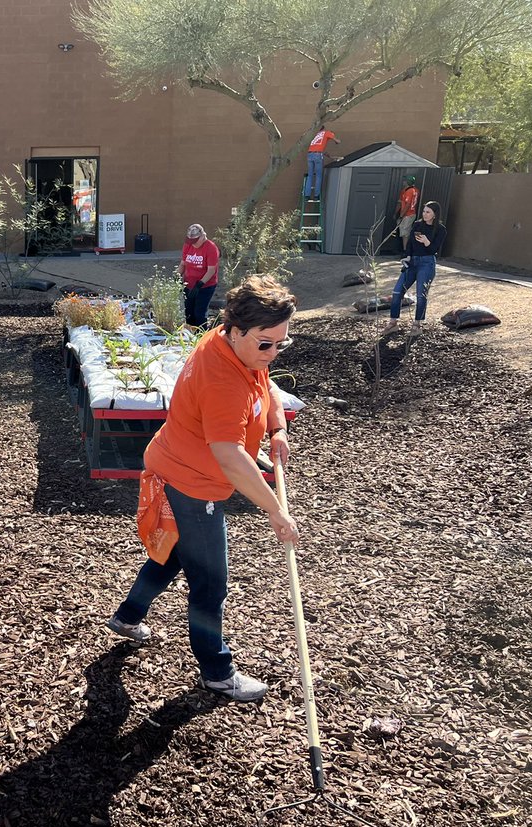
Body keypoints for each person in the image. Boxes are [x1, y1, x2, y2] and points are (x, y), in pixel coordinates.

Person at [105, 275, 300, 703]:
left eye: (280, 344)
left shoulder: (238, 348)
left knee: (172, 554)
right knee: (210, 584)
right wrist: (274, 509)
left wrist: (277, 427)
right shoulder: (221, 380)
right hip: (193, 483)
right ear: (234, 330)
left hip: (179, 465)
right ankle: (217, 672)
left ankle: (126, 617)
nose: (271, 353)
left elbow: (263, 383)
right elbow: (230, 455)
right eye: (265, 343)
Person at [383, 200, 446, 335]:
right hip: (412, 262)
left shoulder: (440, 229)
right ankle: (393, 323)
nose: (425, 214)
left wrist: (426, 242)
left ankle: (417, 325)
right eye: (424, 211)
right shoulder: (417, 225)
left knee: (421, 295)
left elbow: (434, 249)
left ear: (435, 214)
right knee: (397, 291)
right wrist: (406, 257)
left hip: (427, 263)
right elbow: (410, 244)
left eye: (428, 212)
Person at [178, 223, 219, 327]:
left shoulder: (211, 248)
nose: (193, 243)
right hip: (189, 284)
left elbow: (211, 270)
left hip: (205, 285)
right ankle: (190, 336)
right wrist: (177, 276)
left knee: (199, 313)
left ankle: (201, 335)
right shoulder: (188, 245)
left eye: (195, 241)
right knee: (189, 312)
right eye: (191, 241)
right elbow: (183, 264)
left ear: (202, 236)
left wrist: (199, 284)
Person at [304, 128, 341, 199]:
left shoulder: (316, 135)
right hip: (317, 155)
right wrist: (337, 141)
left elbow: (319, 150)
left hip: (309, 155)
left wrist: (330, 156)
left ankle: (307, 195)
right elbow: (337, 141)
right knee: (318, 176)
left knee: (310, 175)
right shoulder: (327, 132)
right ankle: (316, 196)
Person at [394, 175, 419, 251]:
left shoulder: (408, 191)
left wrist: (401, 215)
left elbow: (407, 204)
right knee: (404, 231)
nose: (403, 182)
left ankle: (405, 250)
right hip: (412, 213)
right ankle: (404, 249)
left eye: (405, 180)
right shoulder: (416, 190)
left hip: (407, 214)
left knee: (405, 233)